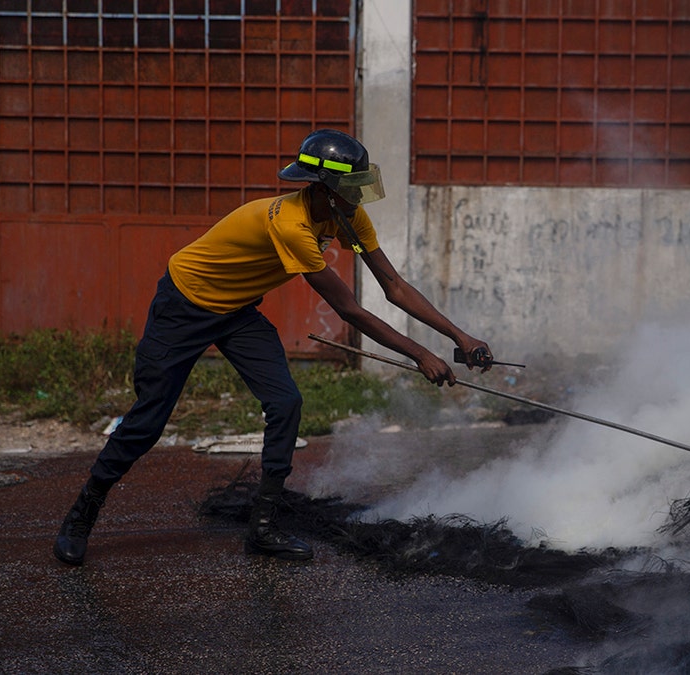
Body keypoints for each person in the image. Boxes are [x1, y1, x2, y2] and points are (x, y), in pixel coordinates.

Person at [52, 129, 493, 565]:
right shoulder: (292, 224)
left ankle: (262, 528)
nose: (358, 197)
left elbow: (394, 287)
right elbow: (350, 311)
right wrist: (420, 354)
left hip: (237, 310)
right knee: (147, 422)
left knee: (286, 403)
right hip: (184, 303)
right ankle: (81, 516)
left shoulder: (348, 216)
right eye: (351, 188)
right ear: (325, 188)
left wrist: (460, 337)